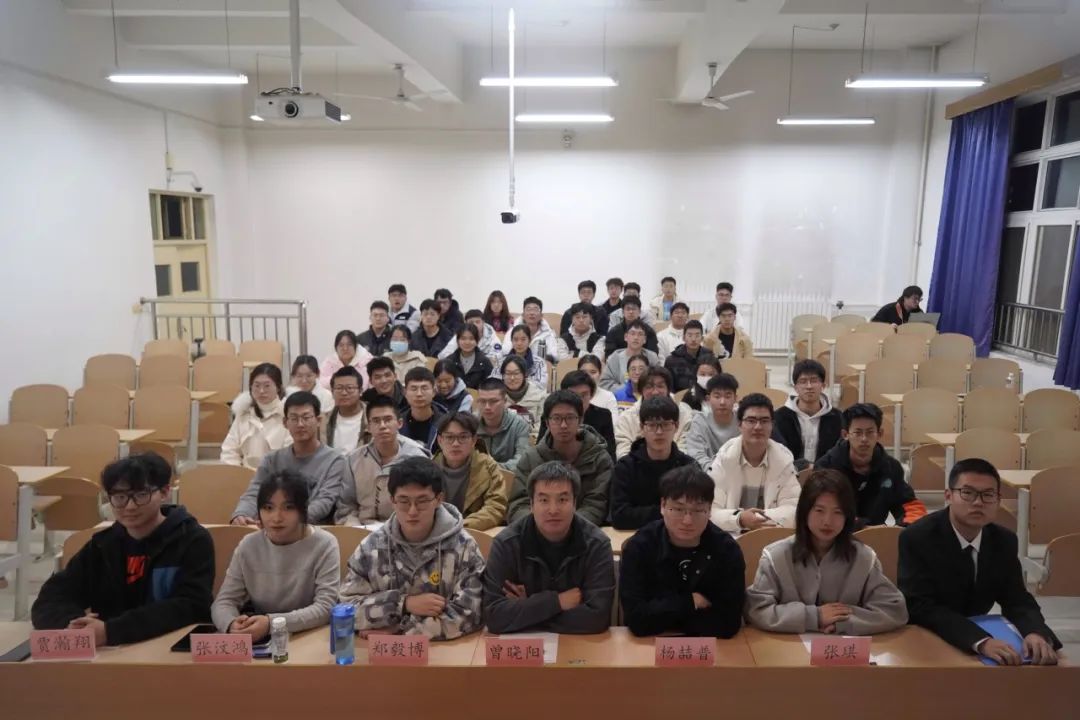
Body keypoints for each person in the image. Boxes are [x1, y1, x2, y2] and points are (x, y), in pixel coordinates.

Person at [32, 453, 214, 646]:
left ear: (164, 492)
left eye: (141, 495)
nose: (130, 506)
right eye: (119, 497)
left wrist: (111, 631)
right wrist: (73, 624)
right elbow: (50, 599)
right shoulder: (102, 545)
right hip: (111, 651)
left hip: (170, 646)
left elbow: (193, 605)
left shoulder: (192, 539)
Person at [899, 458, 1061, 664]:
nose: (978, 502)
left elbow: (1017, 599)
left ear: (998, 500)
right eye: (967, 493)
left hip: (977, 636)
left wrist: (1035, 632)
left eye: (988, 495)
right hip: (925, 636)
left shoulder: (1004, 540)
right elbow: (920, 606)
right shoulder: (917, 537)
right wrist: (981, 641)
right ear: (948, 496)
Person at [745, 469, 908, 635]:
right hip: (787, 646)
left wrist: (843, 620)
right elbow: (756, 609)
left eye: (838, 512)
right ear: (805, 512)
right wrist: (814, 617)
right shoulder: (776, 556)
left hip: (844, 648)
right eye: (819, 510)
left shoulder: (863, 558)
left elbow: (895, 609)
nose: (827, 521)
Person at [341, 457, 485, 640]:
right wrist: (402, 603)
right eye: (404, 501)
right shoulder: (371, 548)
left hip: (443, 652)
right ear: (392, 501)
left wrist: (401, 631)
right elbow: (344, 608)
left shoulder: (464, 547)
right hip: (379, 653)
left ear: (438, 499)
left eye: (422, 501)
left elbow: (471, 613)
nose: (412, 511)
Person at [483, 461, 615, 634]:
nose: (553, 510)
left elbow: (597, 618)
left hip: (581, 645)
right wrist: (556, 602)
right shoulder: (506, 544)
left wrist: (527, 609)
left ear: (574, 503)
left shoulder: (597, 544)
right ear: (531, 504)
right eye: (544, 500)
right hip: (527, 646)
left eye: (562, 499)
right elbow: (494, 616)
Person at [620, 465, 745, 638]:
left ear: (709, 510)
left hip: (709, 647)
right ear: (663, 505)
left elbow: (728, 624)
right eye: (678, 509)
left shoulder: (726, 549)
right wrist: (690, 602)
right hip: (648, 645)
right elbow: (636, 620)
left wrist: (662, 614)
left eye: (698, 510)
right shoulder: (640, 546)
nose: (687, 520)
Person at [212, 470, 340, 637]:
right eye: (268, 508)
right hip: (261, 636)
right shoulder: (249, 545)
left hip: (310, 634)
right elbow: (224, 601)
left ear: (302, 510)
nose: (276, 517)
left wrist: (272, 624)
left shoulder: (325, 544)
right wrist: (231, 624)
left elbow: (326, 607)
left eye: (288, 508)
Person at [231, 391, 347, 526]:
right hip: (273, 527)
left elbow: (325, 501)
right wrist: (242, 513)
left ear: (318, 421)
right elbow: (254, 492)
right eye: (294, 418)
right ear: (285, 423)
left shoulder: (335, 460)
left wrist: (288, 521)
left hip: (313, 529)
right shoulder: (271, 460)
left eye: (306, 417)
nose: (300, 424)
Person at [506, 391, 613, 526]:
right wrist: (542, 528)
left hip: (583, 532)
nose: (563, 425)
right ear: (547, 422)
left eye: (570, 418)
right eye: (556, 418)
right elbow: (518, 505)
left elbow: (596, 505)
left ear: (580, 420)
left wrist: (566, 528)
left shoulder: (599, 459)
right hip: (536, 531)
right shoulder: (531, 458)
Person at [815, 403, 927, 529]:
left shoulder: (891, 467)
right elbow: (823, 510)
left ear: (879, 434)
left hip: (877, 535)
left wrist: (903, 529)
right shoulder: (826, 467)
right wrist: (862, 528)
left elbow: (911, 505)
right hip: (836, 533)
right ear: (845, 434)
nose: (864, 439)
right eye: (857, 433)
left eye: (870, 432)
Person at [708, 393, 800, 533]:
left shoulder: (783, 461)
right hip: (730, 536)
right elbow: (710, 511)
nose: (758, 427)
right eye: (751, 420)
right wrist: (740, 519)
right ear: (739, 425)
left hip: (770, 535)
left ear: (772, 425)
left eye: (764, 421)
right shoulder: (723, 460)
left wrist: (754, 519)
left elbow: (794, 510)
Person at [335, 394, 430, 526]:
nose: (382, 426)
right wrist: (356, 528)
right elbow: (346, 506)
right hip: (362, 528)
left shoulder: (418, 458)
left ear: (400, 423)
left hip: (404, 528)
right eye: (376, 421)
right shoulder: (353, 460)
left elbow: (424, 506)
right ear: (368, 427)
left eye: (388, 419)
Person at [611, 397, 695, 529]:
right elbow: (619, 516)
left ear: (676, 426)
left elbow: (695, 511)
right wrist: (670, 511)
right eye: (652, 425)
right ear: (642, 427)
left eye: (666, 424)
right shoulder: (625, 467)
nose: (659, 432)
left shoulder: (689, 467)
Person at [432, 413, 507, 530]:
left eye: (463, 437)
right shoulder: (429, 468)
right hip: (436, 531)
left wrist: (461, 526)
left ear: (474, 440)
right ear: (440, 440)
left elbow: (495, 507)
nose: (455, 444)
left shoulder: (488, 467)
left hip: (471, 531)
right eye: (449, 437)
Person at [772, 359, 842, 471]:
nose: (809, 386)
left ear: (823, 385)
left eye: (814, 381)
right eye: (803, 381)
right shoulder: (779, 417)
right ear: (795, 387)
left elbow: (838, 453)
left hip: (826, 476)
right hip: (788, 474)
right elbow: (777, 453)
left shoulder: (837, 418)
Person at [613, 367, 694, 458]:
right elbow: (623, 453)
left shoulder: (685, 414)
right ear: (641, 391)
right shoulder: (626, 419)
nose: (655, 392)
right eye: (649, 387)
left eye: (660, 386)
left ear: (668, 389)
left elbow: (686, 450)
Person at [221, 362, 289, 469]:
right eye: (257, 386)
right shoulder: (243, 414)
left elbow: (290, 457)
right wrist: (236, 473)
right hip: (244, 475)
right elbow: (229, 451)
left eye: (267, 386)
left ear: (278, 387)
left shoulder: (288, 415)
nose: (261, 391)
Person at [548, 370, 616, 462]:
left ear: (591, 395)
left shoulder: (603, 416)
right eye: (574, 395)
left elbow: (610, 455)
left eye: (584, 395)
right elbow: (542, 451)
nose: (579, 400)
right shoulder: (552, 416)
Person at [685, 373, 740, 469]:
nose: (722, 402)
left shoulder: (742, 420)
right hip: (708, 474)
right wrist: (716, 472)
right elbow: (695, 455)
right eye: (717, 396)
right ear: (708, 399)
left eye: (727, 396)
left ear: (735, 398)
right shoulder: (700, 421)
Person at [474, 379, 531, 472]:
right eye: (482, 401)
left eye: (493, 401)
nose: (487, 407)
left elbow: (522, 460)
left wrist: (491, 467)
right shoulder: (470, 423)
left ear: (505, 401)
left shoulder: (519, 424)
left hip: (509, 477)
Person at [601, 320, 660, 392]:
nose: (636, 337)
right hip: (621, 397)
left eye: (640, 334)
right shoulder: (615, 357)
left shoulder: (652, 357)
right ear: (625, 337)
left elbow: (659, 381)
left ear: (644, 339)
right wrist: (627, 390)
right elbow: (604, 383)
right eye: (632, 333)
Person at [499, 355, 547, 441]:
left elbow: (541, 426)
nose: (512, 378)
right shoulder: (495, 396)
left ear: (525, 374)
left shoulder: (539, 395)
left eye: (516, 373)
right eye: (508, 373)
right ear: (503, 375)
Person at [399, 367, 445, 453]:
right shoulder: (397, 424)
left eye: (424, 388)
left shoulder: (446, 423)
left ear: (434, 392)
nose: (419, 394)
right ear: (405, 392)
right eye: (414, 389)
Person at [664, 319, 717, 393]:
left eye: (697, 335)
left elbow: (716, 383)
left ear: (702, 338)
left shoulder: (710, 358)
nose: (693, 339)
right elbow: (668, 387)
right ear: (683, 338)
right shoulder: (672, 360)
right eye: (690, 335)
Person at [322, 366, 366, 453]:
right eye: (339, 388)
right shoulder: (324, 420)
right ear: (332, 392)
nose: (344, 393)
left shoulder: (372, 418)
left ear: (360, 391)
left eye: (350, 388)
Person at [440, 324, 493, 389]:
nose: (467, 342)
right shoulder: (449, 361)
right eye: (463, 338)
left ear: (477, 341)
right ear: (457, 341)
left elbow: (491, 385)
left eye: (471, 339)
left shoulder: (484, 362)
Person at [503, 324, 548, 389]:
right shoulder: (502, 361)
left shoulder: (539, 362)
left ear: (529, 340)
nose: (519, 343)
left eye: (523, 339)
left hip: (531, 394)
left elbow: (541, 385)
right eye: (515, 339)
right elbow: (495, 382)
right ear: (511, 341)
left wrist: (518, 382)